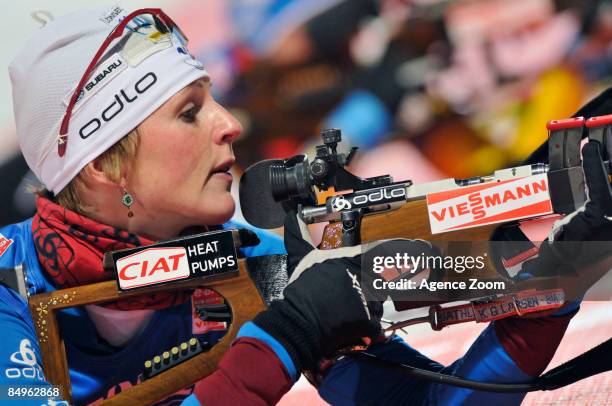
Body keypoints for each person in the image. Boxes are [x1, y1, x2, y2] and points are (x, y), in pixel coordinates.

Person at [0, 5, 609, 406]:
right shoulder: (8, 281)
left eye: (211, 100)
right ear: (104, 165)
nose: (230, 124)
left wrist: (554, 279)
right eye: (190, 113)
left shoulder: (253, 266)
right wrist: (286, 339)